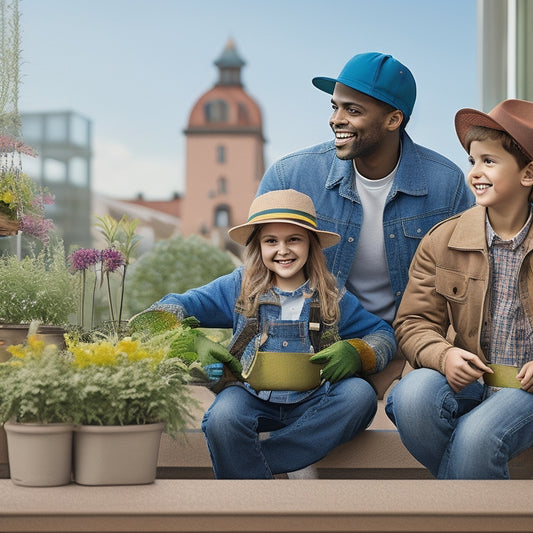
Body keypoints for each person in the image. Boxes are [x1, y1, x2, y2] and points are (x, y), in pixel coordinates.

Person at [138, 190, 396, 479]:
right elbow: (165, 310)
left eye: (293, 240)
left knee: (359, 395)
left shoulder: (332, 296)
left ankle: (256, 466)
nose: (282, 250)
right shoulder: (238, 286)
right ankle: (255, 482)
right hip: (249, 395)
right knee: (222, 418)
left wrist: (359, 352)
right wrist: (190, 343)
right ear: (258, 246)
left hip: (315, 398)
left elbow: (382, 333)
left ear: (311, 244)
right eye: (271, 241)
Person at [257, 52, 473, 325]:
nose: (336, 119)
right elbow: (256, 273)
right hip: (320, 345)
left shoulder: (447, 184)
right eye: (334, 106)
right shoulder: (289, 177)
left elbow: (469, 283)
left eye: (352, 110)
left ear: (393, 120)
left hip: (411, 347)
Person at [385, 98, 533, 479]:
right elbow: (413, 323)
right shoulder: (443, 240)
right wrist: (443, 356)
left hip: (526, 393)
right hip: (470, 380)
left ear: (528, 174)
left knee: (477, 436)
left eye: (489, 161)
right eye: (472, 161)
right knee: (413, 397)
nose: (475, 173)